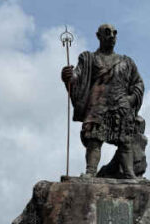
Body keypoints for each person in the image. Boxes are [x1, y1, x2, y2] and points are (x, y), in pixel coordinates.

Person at [61, 23, 145, 178]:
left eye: (114, 33)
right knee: (94, 141)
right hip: (98, 105)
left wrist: (132, 98)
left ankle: (129, 173)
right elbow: (76, 78)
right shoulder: (89, 59)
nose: (112, 36)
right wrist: (68, 76)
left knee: (125, 142)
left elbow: (138, 82)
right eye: (107, 33)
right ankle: (91, 171)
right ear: (98, 36)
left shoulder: (126, 62)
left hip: (121, 105)